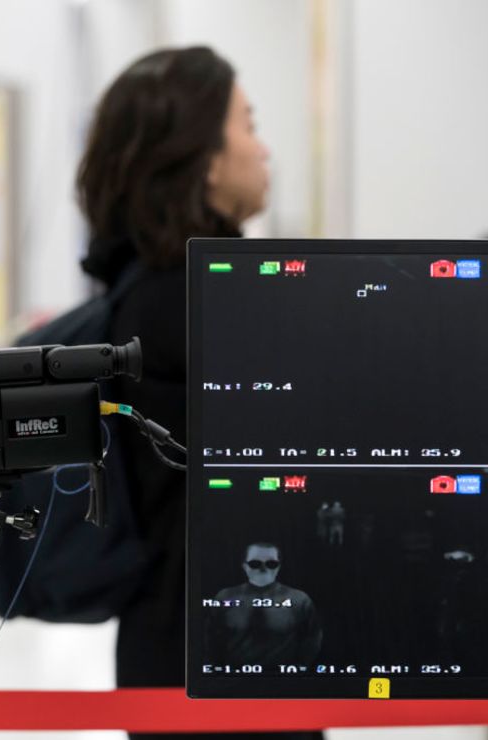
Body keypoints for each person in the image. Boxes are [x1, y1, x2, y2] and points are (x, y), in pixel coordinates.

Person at [77, 47, 320, 739]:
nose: (264, 149)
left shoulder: (142, 290)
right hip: (230, 661)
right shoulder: (204, 298)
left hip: (172, 646)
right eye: (249, 125)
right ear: (205, 157)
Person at [203, 543, 323, 668]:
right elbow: (210, 638)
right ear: (244, 566)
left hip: (285, 681)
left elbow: (313, 638)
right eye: (255, 564)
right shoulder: (225, 597)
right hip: (232, 681)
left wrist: (299, 668)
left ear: (279, 567)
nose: (263, 569)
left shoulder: (300, 599)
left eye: (271, 564)